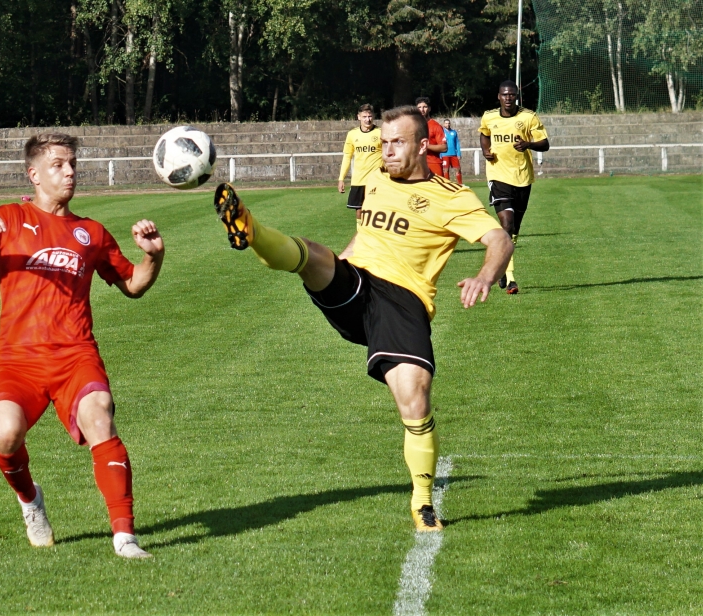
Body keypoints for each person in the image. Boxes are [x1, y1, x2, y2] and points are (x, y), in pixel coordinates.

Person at [212, 106, 513, 532]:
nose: (386, 151)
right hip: (356, 283)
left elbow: (499, 238)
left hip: (403, 301)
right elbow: (365, 236)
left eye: (397, 142)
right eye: (384, 142)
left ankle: (423, 502)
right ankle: (250, 228)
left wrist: (486, 275)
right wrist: (341, 264)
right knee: (315, 255)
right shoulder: (373, 179)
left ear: (422, 145)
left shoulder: (452, 197)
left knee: (415, 395)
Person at [0, 133, 164, 558]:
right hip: (17, 360)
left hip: (76, 356)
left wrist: (153, 256)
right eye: (59, 164)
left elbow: (133, 285)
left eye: (72, 163)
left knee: (100, 417)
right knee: (5, 436)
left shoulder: (91, 233)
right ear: (34, 174)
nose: (70, 171)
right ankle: (30, 500)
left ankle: (125, 536)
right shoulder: (10, 219)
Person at [479, 80, 550, 294]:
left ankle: (501, 265)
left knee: (514, 230)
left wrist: (529, 144)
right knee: (507, 224)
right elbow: (484, 134)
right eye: (504, 94)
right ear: (498, 96)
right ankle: (510, 277)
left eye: (512, 94)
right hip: (498, 175)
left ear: (517, 96)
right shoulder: (489, 116)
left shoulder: (528, 117)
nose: (508, 98)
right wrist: (486, 150)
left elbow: (545, 143)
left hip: (522, 177)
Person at [337, 103, 382, 218]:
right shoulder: (352, 134)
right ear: (359, 117)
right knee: (359, 211)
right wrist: (341, 178)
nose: (367, 119)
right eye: (364, 117)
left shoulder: (380, 133)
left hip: (376, 180)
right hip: (358, 180)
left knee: (376, 211)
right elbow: (347, 157)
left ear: (373, 116)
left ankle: (375, 235)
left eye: (370, 116)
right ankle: (361, 235)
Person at [415, 97, 447, 177]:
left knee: (437, 189)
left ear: (429, 109)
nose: (422, 110)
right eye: (419, 107)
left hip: (433, 163)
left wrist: (426, 146)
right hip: (417, 163)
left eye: (425, 107)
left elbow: (444, 148)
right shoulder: (413, 126)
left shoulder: (436, 126)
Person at [441, 119, 463, 185]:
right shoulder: (442, 132)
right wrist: (439, 155)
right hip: (445, 154)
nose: (447, 124)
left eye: (448, 123)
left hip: (454, 154)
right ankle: (448, 184)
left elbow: (457, 143)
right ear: (444, 124)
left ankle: (460, 184)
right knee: (445, 170)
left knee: (458, 169)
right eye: (446, 123)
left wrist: (458, 153)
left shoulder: (454, 132)